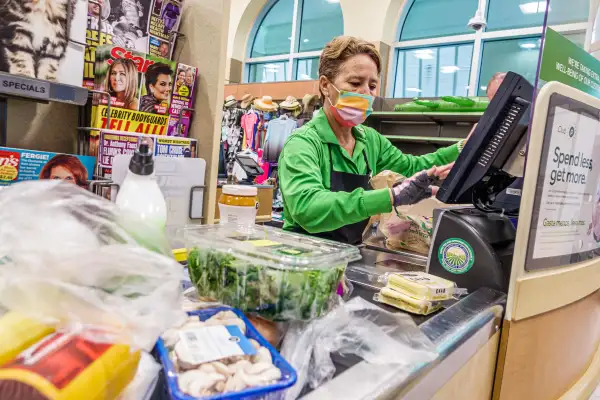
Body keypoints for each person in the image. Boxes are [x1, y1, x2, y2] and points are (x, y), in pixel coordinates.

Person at [278, 36, 466, 245]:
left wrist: (463, 148)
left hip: (348, 255)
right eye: (355, 83)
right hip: (304, 258)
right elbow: (307, 208)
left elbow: (413, 166)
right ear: (325, 85)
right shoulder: (303, 143)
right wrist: (391, 197)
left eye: (372, 85)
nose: (366, 92)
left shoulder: (370, 141)